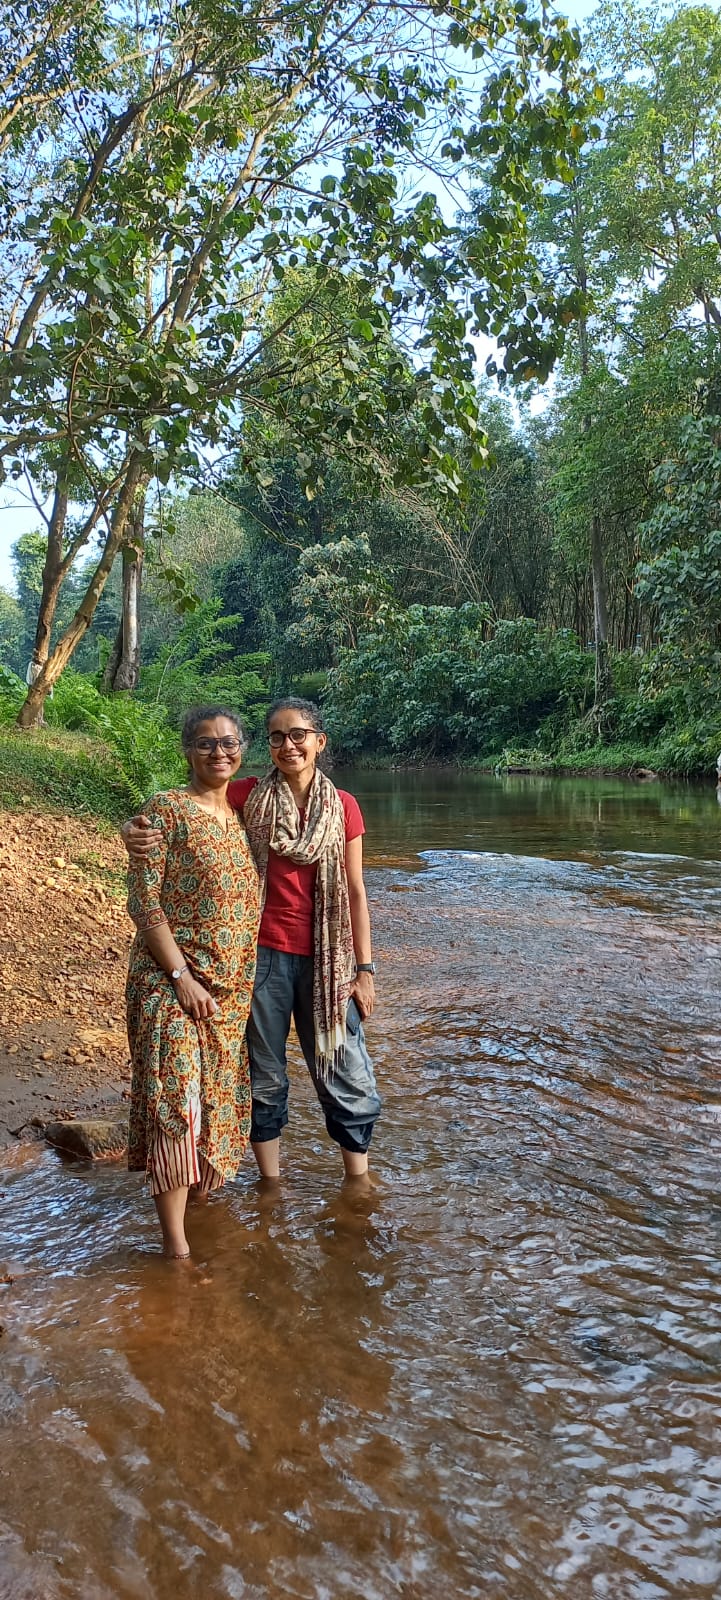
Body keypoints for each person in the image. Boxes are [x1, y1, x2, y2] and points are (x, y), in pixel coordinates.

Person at [122, 697, 381, 1183]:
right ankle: (271, 1184)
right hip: (260, 958)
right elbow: (187, 808)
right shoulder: (249, 796)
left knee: (344, 1068)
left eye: (299, 735)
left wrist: (364, 971)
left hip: (329, 960)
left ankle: (357, 1182)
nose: (289, 746)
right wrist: (130, 830)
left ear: (319, 742)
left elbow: (355, 891)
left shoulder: (344, 806)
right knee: (263, 1074)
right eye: (278, 737)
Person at [125, 706, 260, 1258]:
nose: (218, 752)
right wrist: (180, 975)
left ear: (243, 749)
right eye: (206, 744)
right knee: (176, 1097)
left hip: (231, 987)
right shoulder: (165, 810)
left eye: (229, 743)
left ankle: (201, 1200)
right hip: (170, 980)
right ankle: (176, 1247)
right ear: (187, 750)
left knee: (216, 1096)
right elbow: (143, 901)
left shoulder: (246, 815)